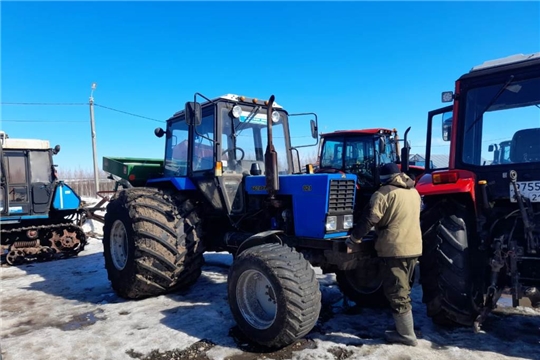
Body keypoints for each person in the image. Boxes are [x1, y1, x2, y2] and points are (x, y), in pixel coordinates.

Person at [345, 162, 422, 347]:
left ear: (383, 178)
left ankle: (406, 335)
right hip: (414, 246)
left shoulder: (383, 193)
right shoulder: (414, 191)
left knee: (396, 291)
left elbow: (370, 219)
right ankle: (406, 327)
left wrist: (353, 239)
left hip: (395, 248)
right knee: (404, 288)